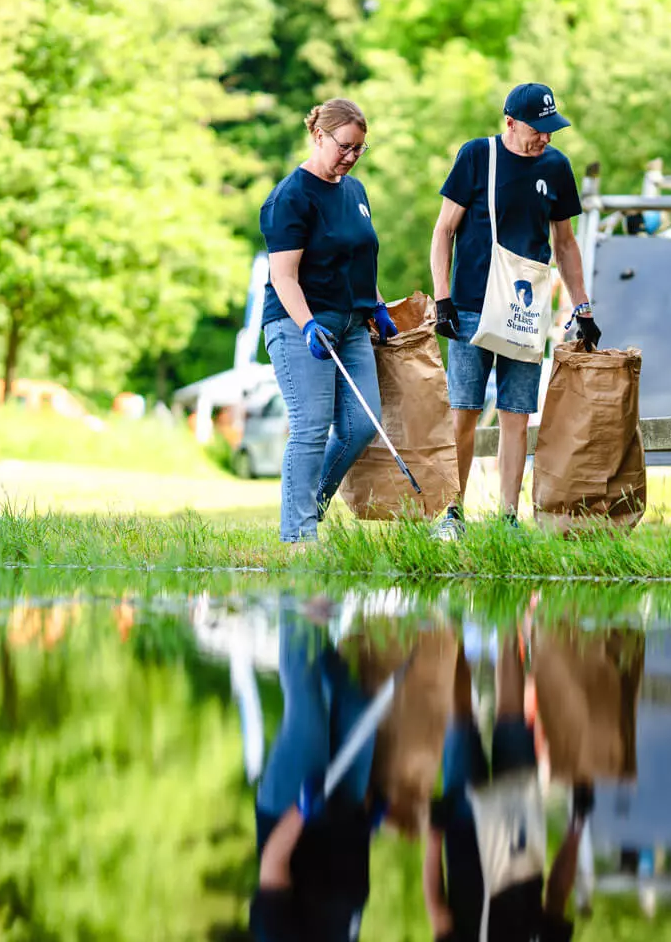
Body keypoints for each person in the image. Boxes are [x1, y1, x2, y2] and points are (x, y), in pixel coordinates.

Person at [428, 83, 600, 538]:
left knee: (516, 414)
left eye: (551, 129)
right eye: (537, 129)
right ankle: (451, 513)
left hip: (525, 310)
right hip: (469, 304)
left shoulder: (556, 167)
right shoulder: (476, 157)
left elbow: (565, 243)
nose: (545, 137)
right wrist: (441, 297)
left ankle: (507, 518)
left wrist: (583, 306)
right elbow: (444, 230)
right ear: (509, 122)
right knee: (463, 411)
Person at [260, 98, 398, 543]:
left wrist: (377, 305)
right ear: (319, 136)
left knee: (362, 423)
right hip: (299, 323)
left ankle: (310, 508)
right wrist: (305, 325)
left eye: (360, 149)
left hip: (352, 323)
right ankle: (298, 536)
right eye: (345, 146)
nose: (351, 157)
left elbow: (359, 260)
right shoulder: (291, 197)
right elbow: (282, 276)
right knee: (311, 427)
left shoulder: (354, 192)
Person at [423, 633, 590, 941]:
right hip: (518, 829)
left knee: (460, 722)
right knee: (511, 718)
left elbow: (437, 909)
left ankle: (452, 616)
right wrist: (576, 828)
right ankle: (506, 604)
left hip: (464, 829)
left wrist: (434, 835)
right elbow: (556, 898)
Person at [251, 604, 378, 941]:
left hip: (289, 809)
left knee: (308, 713)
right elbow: (348, 883)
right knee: (358, 709)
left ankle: (300, 590)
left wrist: (302, 811)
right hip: (343, 810)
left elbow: (272, 865)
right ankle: (317, 630)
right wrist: (368, 822)